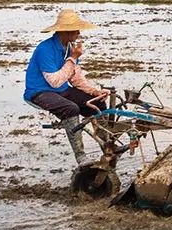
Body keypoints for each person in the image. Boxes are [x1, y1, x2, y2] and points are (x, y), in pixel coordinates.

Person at [23, 9, 108, 164]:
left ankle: (107, 146)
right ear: (66, 32)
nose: (79, 33)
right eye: (76, 30)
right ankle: (80, 155)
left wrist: (94, 91)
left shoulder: (69, 48)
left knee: (98, 102)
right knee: (71, 109)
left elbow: (76, 78)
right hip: (40, 92)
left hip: (61, 90)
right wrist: (73, 58)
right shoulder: (45, 49)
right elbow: (54, 81)